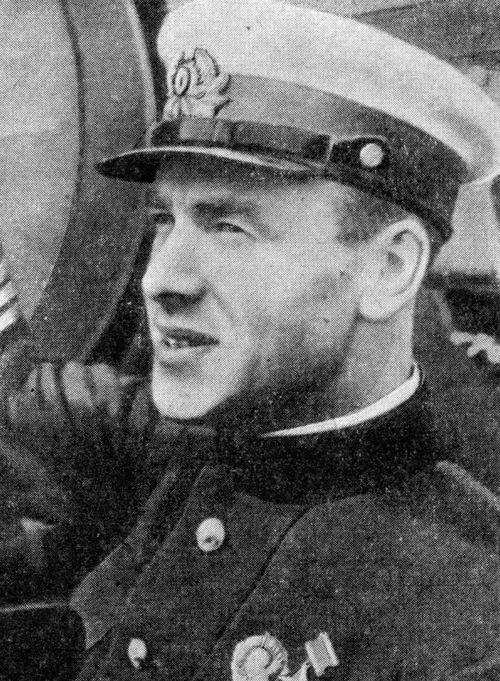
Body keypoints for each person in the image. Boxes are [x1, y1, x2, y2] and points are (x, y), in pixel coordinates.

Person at [4, 0, 500, 679]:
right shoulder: (198, 474)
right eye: (164, 220)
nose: (160, 279)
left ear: (390, 269)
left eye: (230, 227)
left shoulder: (470, 614)